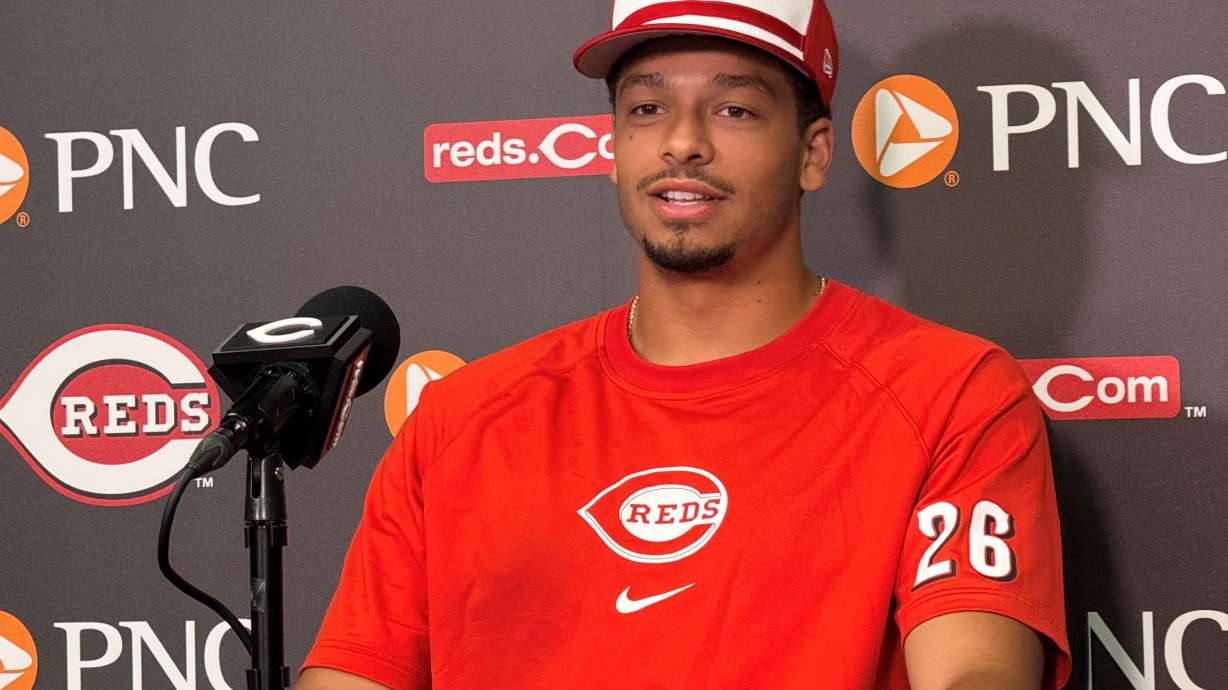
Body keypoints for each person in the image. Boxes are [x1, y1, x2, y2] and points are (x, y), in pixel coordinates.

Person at [294, 1, 1071, 688]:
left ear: (814, 153)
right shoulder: (461, 419)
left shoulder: (950, 391)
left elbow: (975, 671)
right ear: (614, 146)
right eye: (646, 109)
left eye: (733, 110)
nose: (682, 144)